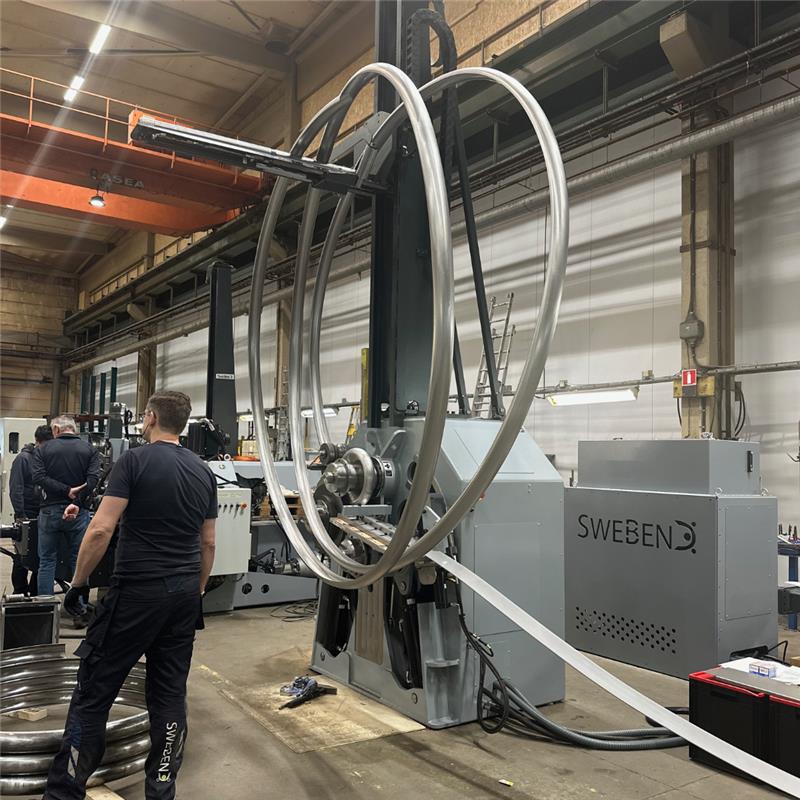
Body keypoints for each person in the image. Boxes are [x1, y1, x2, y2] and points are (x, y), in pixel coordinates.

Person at [43, 390, 218, 800]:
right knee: (170, 693)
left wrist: (79, 583)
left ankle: (65, 792)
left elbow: (102, 529)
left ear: (152, 417)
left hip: (136, 594)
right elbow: (207, 543)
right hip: (183, 597)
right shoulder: (202, 470)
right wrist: (197, 588)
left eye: (144, 415)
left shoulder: (134, 461)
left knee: (93, 692)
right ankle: (160, 790)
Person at [32, 416, 100, 597]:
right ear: (74, 429)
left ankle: (46, 609)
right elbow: (93, 480)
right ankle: (79, 609)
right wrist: (75, 499)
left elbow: (38, 477)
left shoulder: (43, 449)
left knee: (46, 561)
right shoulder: (89, 450)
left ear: (55, 429)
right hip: (79, 513)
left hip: (49, 511)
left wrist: (65, 490)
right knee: (79, 560)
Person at [8, 424, 53, 594]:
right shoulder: (23, 459)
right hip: (26, 513)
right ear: (39, 442)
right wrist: (20, 514)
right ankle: (19, 591)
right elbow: (16, 488)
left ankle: (35, 591)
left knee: (39, 555)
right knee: (21, 556)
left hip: (42, 512)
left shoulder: (45, 458)